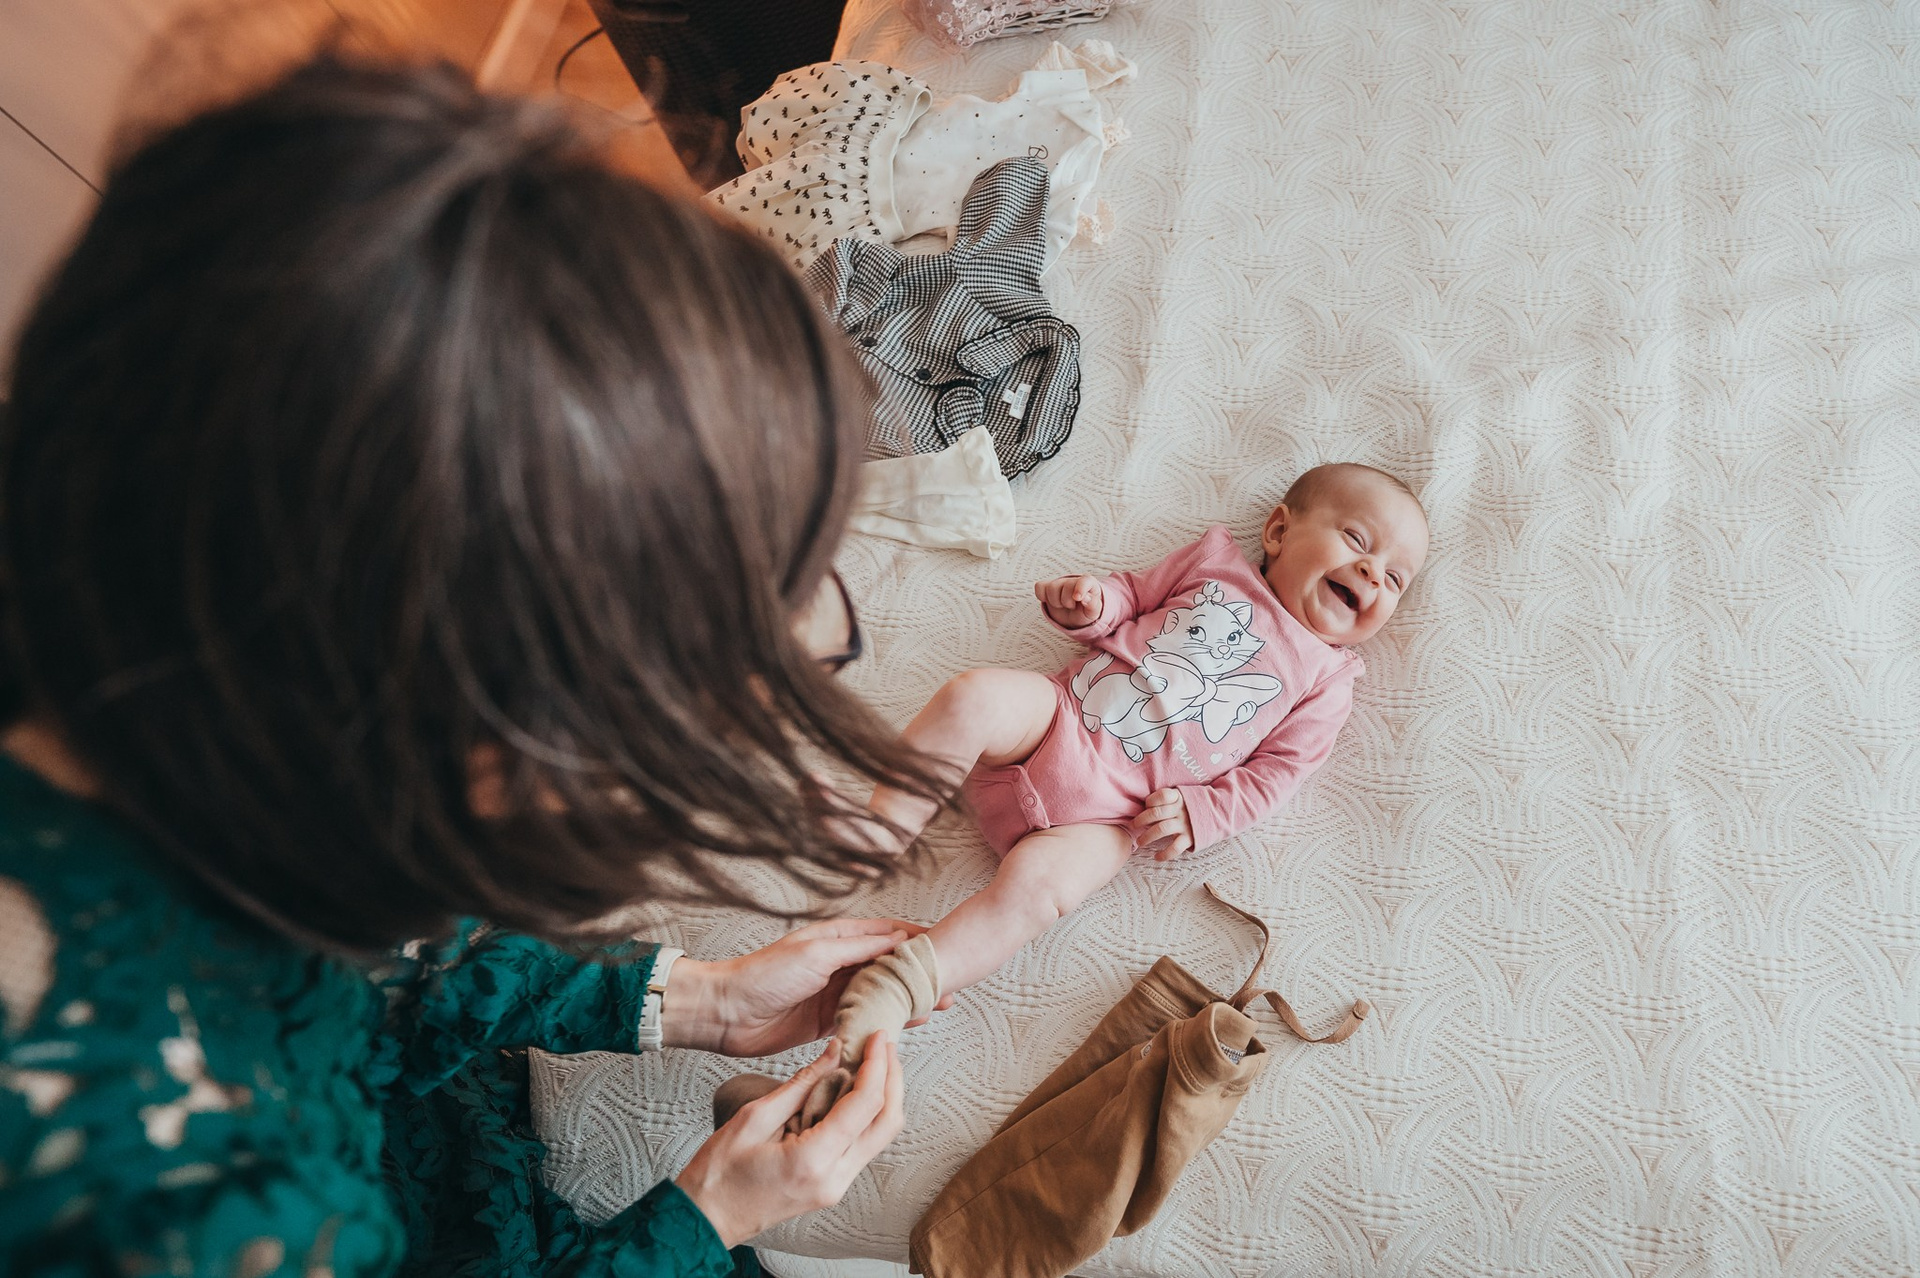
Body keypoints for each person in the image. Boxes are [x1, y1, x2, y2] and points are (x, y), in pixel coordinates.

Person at [0, 52, 948, 1278]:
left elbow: (379, 983)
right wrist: (703, 1222)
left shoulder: (205, 692)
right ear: (479, 745)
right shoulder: (178, 1210)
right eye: (722, 670)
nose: (810, 642)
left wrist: (690, 1000)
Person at [775, 464, 1428, 1116]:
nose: (1373, 574)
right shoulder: (1215, 563)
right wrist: (1093, 605)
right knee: (972, 697)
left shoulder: (1327, 680)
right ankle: (878, 832)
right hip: (1058, 719)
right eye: (1358, 540)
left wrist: (1202, 813)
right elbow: (1132, 596)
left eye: (1395, 578)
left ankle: (901, 985)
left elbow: (1275, 775)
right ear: (1280, 532)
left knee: (1039, 896)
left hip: (1109, 818)